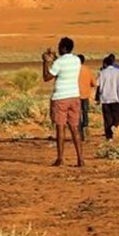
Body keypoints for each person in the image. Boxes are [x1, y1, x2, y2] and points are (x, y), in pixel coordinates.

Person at [42, 37, 85, 167]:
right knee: (75, 128)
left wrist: (45, 62)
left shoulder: (59, 62)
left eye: (60, 46)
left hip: (60, 97)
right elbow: (63, 65)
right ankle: (80, 159)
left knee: (60, 128)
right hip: (74, 96)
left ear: (64, 48)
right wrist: (55, 58)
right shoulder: (76, 60)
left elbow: (47, 77)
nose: (59, 48)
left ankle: (60, 158)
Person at [97, 55, 119, 140]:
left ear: (105, 64)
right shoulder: (118, 72)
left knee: (107, 118)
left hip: (105, 98)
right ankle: (115, 125)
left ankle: (109, 137)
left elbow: (99, 86)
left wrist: (98, 97)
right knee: (117, 116)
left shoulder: (102, 73)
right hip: (116, 98)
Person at [77, 54, 96, 141]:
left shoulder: (73, 70)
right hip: (85, 95)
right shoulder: (87, 70)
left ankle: (80, 132)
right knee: (85, 112)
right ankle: (85, 126)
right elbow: (94, 83)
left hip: (75, 95)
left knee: (77, 115)